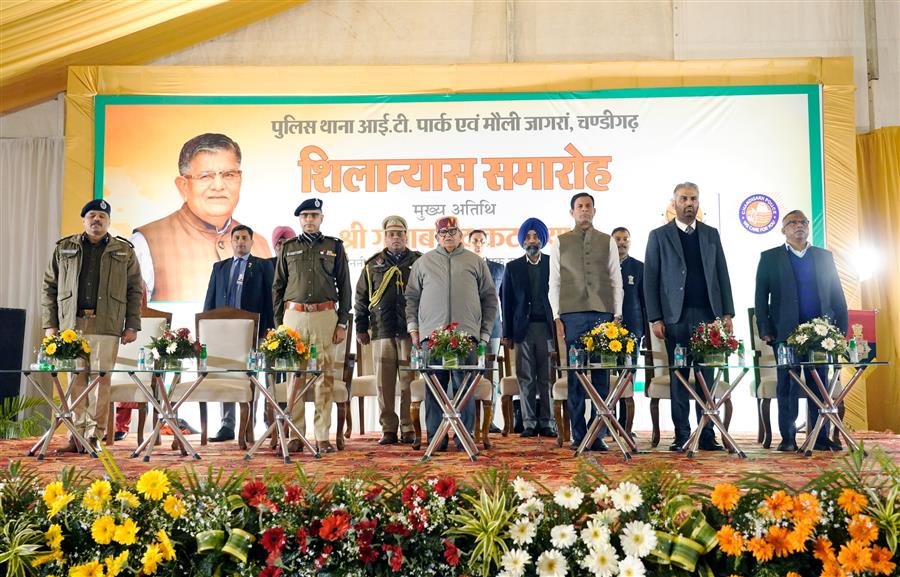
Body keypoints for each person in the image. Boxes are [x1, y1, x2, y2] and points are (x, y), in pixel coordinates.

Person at [42, 199, 143, 453]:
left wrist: (132, 325)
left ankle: (94, 436)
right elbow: (49, 287)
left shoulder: (124, 250)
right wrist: (50, 324)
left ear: (108, 221)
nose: (96, 220)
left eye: (102, 216)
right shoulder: (64, 248)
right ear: (84, 220)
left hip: (106, 323)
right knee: (75, 379)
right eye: (92, 216)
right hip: (71, 325)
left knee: (101, 380)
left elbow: (135, 290)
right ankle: (77, 435)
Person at [644, 182, 735, 452]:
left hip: (708, 318)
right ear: (674, 203)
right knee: (679, 376)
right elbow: (650, 279)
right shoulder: (659, 236)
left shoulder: (710, 234)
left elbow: (722, 273)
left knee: (706, 377)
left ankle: (706, 434)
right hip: (676, 319)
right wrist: (655, 318)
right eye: (684, 199)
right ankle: (682, 434)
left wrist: (727, 313)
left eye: (693, 199)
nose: (689, 204)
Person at [132, 133, 272, 302]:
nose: (218, 186)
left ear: (240, 180)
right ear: (183, 186)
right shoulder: (147, 242)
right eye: (205, 176)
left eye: (229, 175)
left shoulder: (259, 244)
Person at [754, 209, 848, 452]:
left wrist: (841, 329)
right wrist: (765, 327)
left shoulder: (824, 257)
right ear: (783, 230)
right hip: (785, 333)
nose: (799, 226)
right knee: (787, 384)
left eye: (803, 222)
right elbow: (761, 297)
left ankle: (820, 437)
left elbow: (837, 294)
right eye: (792, 223)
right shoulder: (770, 258)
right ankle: (788, 438)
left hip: (821, 334)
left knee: (820, 383)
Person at [405, 216, 498, 451]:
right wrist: (414, 330)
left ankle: (464, 438)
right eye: (443, 233)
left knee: (464, 389)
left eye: (452, 231)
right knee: (434, 390)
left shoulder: (475, 261)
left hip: (466, 338)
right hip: (432, 338)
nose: (448, 236)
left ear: (460, 235)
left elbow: (489, 298)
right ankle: (436, 439)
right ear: (436, 236)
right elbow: (412, 298)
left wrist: (484, 335)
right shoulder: (423, 263)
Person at [272, 198, 351, 454]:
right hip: (293, 318)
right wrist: (279, 325)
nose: (309, 220)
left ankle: (322, 437)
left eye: (314, 215)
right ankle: (296, 435)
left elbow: (345, 286)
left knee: (324, 377)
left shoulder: (334, 246)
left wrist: (342, 322)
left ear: (321, 218)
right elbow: (278, 287)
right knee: (295, 376)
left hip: (324, 316)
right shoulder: (288, 247)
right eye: (305, 215)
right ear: (299, 219)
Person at [549, 192, 623, 451]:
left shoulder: (607, 240)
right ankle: (579, 434)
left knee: (602, 376)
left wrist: (617, 314)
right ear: (572, 212)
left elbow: (616, 279)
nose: (584, 210)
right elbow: (554, 282)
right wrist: (557, 316)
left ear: (594, 210)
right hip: (572, 315)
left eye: (588, 206)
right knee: (576, 377)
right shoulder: (560, 242)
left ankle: (597, 433)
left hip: (603, 315)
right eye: (579, 206)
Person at [202, 224, 275, 442]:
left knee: (253, 377)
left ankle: (251, 423)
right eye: (237, 238)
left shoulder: (262, 266)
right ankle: (227, 425)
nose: (240, 242)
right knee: (227, 375)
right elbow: (210, 300)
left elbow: (270, 301)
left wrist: (269, 330)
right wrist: (206, 329)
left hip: (254, 332)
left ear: (251, 242)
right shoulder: (220, 267)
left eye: (244, 238)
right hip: (224, 333)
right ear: (231, 242)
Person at [354, 215, 422, 445]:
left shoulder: (419, 261)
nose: (396, 237)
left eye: (400, 233)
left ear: (406, 236)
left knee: (408, 382)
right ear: (385, 237)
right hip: (382, 329)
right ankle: (389, 428)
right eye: (391, 234)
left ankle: (408, 427)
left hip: (409, 331)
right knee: (384, 383)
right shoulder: (373, 264)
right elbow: (361, 298)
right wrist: (361, 327)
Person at [500, 218, 556, 438]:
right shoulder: (512, 267)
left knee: (546, 377)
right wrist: (507, 333)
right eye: (528, 237)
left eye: (536, 237)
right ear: (522, 241)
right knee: (526, 378)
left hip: (547, 329)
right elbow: (506, 301)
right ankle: (529, 423)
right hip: (522, 330)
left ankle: (548, 422)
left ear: (543, 240)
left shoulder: (552, 263)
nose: (532, 241)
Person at [468, 228, 505, 432]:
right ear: (469, 243)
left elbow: (504, 300)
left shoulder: (499, 269)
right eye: (475, 240)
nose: (478, 244)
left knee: (492, 375)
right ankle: (472, 421)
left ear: (487, 243)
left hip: (494, 329)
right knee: (471, 374)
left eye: (482, 240)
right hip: (469, 328)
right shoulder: (463, 266)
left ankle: (489, 421)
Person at [612, 226, 646, 433]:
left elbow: (645, 302)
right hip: (608, 332)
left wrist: (646, 331)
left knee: (628, 376)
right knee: (608, 376)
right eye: (618, 239)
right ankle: (608, 421)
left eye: (625, 239)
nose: (621, 243)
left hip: (633, 329)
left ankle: (625, 424)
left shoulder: (639, 267)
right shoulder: (604, 267)